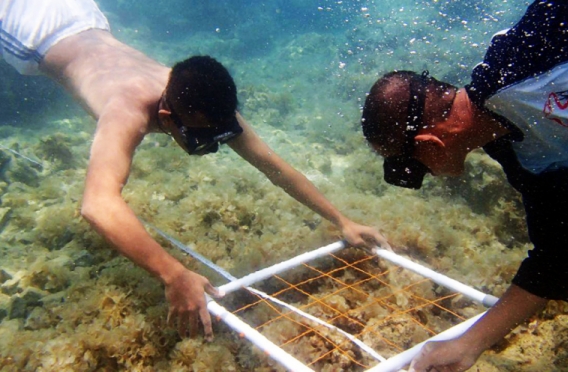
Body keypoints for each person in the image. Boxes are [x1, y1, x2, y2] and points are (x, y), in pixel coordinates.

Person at [0, 0, 389, 341]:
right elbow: (97, 205)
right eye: (203, 139)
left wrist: (341, 219)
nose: (213, 146)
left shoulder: (205, 102)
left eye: (220, 136)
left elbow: (274, 166)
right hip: (30, 34)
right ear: (167, 118)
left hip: (83, 16)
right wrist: (173, 273)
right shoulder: (127, 110)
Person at [361, 0, 568, 370]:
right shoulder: (519, 153)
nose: (422, 177)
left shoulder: (526, 55)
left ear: (429, 144)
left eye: (411, 167)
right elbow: (561, 258)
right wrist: (469, 344)